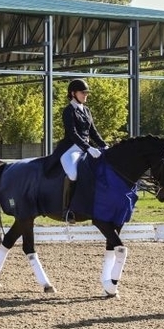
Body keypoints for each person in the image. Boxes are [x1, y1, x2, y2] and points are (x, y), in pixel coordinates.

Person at [47, 78, 108, 222]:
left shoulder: (86, 110)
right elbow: (73, 134)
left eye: (86, 92)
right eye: (83, 92)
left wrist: (104, 145)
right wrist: (88, 148)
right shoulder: (68, 111)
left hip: (86, 149)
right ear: (73, 93)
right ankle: (66, 210)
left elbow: (93, 132)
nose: (85, 95)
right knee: (73, 173)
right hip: (71, 149)